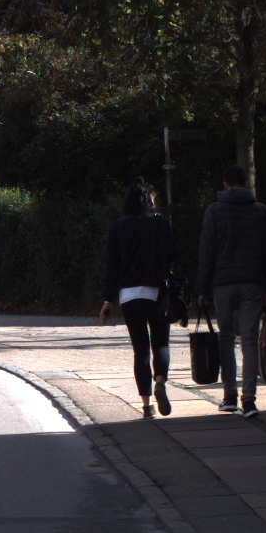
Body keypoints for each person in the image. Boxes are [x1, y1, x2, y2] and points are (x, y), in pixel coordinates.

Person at [194, 165, 266, 417]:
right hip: (253, 282)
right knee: (249, 341)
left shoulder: (214, 211)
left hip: (223, 284)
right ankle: (249, 400)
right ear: (247, 183)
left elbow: (207, 252)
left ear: (225, 185)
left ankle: (229, 396)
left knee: (226, 339)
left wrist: (202, 289)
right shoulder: (261, 211)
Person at [99, 178, 179, 418]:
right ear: (149, 200)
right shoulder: (160, 222)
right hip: (157, 293)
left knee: (141, 350)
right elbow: (173, 254)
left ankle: (147, 406)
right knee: (161, 343)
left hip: (129, 295)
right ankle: (160, 382)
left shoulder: (118, 226)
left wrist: (107, 300)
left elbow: (112, 266)